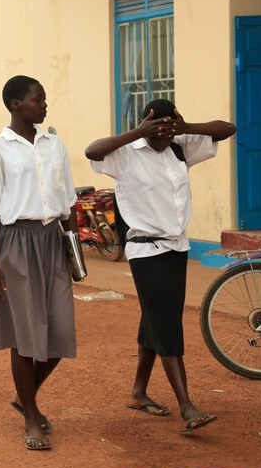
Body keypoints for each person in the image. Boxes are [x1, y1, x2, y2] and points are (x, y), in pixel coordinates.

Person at [86, 99, 235, 434]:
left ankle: (138, 393)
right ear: (146, 126)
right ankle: (186, 406)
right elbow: (91, 151)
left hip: (177, 247)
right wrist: (138, 133)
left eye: (169, 129)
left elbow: (228, 129)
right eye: (159, 130)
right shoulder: (127, 153)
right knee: (167, 323)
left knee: (156, 317)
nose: (164, 136)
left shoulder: (179, 148)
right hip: (144, 250)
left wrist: (186, 128)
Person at [0, 75, 78, 451]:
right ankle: (31, 417)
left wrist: (74, 251)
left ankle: (24, 397)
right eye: (38, 99)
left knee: (60, 334)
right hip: (15, 242)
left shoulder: (54, 145)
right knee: (24, 336)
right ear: (16, 105)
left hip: (51, 242)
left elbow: (68, 202)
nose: (44, 105)